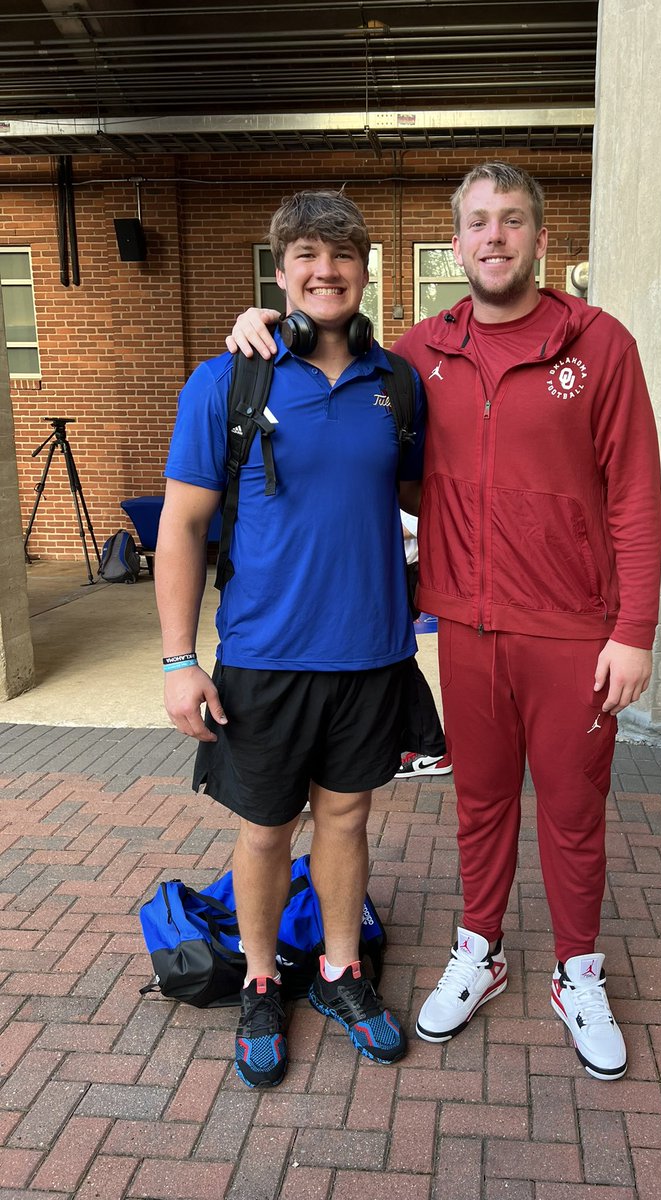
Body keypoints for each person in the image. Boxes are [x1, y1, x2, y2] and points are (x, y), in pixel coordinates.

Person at [227, 161, 661, 1082]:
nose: (494, 236)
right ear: (455, 243)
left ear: (542, 240)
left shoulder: (601, 346)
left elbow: (634, 494)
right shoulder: (419, 354)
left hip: (575, 631)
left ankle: (578, 971)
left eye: (512, 221)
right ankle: (481, 952)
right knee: (481, 804)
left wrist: (635, 628)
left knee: (575, 812)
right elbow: (341, 381)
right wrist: (261, 326)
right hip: (462, 624)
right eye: (476, 223)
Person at [155, 190, 425, 1088]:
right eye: (307, 254)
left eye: (343, 254)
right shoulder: (230, 378)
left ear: (364, 270)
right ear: (282, 272)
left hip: (373, 653)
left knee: (346, 819)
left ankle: (343, 974)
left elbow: (433, 498)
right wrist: (177, 659)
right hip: (265, 658)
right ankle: (264, 979)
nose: (326, 269)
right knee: (268, 831)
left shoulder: (397, 384)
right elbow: (184, 528)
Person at [396, 510, 452, 778]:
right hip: (387, 568)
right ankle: (425, 744)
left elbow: (419, 522)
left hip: (400, 571)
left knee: (399, 661)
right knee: (396, 661)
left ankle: (431, 747)